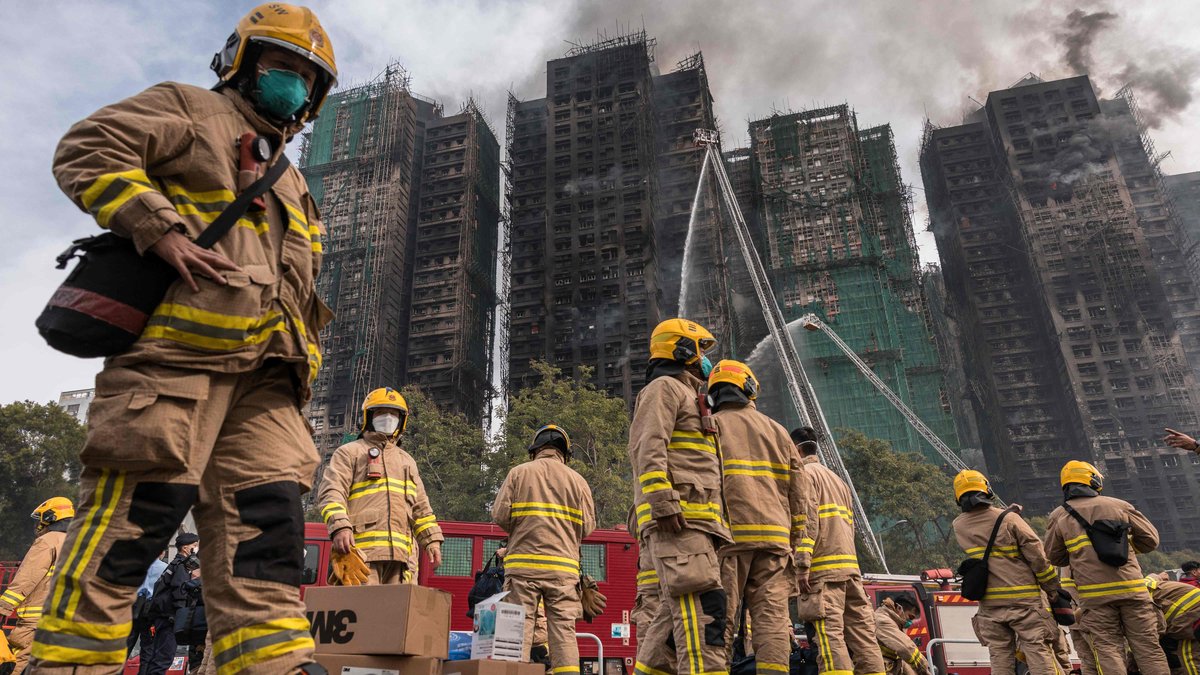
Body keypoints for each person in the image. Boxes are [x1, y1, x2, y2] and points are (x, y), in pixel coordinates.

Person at [33, 5, 338, 673]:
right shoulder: (193, 110)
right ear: (242, 62)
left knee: (268, 541)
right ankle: (69, 664)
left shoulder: (292, 180)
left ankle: (274, 665)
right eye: (281, 65)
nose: (294, 83)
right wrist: (159, 227)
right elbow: (89, 147)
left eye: (307, 77)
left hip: (268, 387)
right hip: (177, 368)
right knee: (128, 532)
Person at [628, 319, 730, 675]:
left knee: (670, 625)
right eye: (701, 350)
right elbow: (647, 447)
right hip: (680, 522)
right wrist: (664, 503)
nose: (706, 360)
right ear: (682, 350)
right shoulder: (664, 389)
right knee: (702, 616)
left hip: (698, 523)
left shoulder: (690, 396)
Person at [707, 360, 806, 674]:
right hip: (775, 543)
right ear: (750, 388)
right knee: (772, 623)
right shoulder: (778, 431)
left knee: (718, 621)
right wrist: (795, 541)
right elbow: (799, 494)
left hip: (728, 541)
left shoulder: (709, 427)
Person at [1043, 461, 1167, 675]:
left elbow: (1054, 556)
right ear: (1093, 480)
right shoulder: (1119, 505)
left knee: (1108, 650)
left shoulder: (1059, 515)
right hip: (1133, 592)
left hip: (1095, 598)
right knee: (1148, 649)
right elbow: (1151, 540)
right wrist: (1127, 549)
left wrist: (1081, 556)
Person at [493, 425, 596, 673]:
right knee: (563, 634)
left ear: (535, 450)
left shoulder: (518, 474)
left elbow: (500, 516)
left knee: (516, 631)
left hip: (522, 570)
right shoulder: (578, 482)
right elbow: (587, 527)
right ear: (565, 454)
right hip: (563, 572)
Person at [319, 387, 444, 584]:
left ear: (402, 420)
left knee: (398, 605)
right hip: (361, 555)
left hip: (402, 560)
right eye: (381, 412)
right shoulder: (349, 453)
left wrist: (432, 540)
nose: (388, 417)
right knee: (361, 604)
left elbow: (421, 508)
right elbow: (331, 492)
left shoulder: (407, 461)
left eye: (394, 414)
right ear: (369, 417)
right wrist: (340, 526)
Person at [791, 426, 886, 675]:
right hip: (851, 572)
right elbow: (850, 526)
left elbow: (807, 521)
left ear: (796, 449)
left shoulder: (804, 475)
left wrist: (802, 564)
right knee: (864, 638)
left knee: (829, 637)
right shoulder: (838, 481)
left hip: (823, 573)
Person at [950, 470, 1060, 675]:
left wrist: (1006, 514)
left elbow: (987, 530)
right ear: (987, 489)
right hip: (1023, 601)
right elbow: (1037, 556)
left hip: (989, 605)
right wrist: (1052, 588)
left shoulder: (959, 525)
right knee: (1037, 650)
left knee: (999, 657)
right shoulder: (1009, 519)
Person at [0, 497, 73, 673]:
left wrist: (3, 609)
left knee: (15, 664)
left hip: (37, 621)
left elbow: (26, 579)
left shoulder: (47, 541)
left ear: (50, 518)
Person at [141, 534, 200, 675]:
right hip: (170, 619)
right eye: (194, 545)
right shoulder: (181, 566)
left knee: (156, 658)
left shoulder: (173, 565)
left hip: (163, 618)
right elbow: (179, 591)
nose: (196, 548)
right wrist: (181, 616)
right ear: (185, 548)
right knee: (164, 659)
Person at [1145, 574, 1200, 675]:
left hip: (1190, 616)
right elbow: (1152, 577)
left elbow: (1154, 632)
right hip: (1189, 612)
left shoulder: (1140, 600)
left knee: (1188, 656)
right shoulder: (1147, 584)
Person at [874, 595, 929, 675]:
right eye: (910, 617)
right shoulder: (883, 621)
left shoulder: (893, 622)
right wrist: (924, 670)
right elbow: (906, 649)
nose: (910, 622)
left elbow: (901, 659)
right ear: (899, 608)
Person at [129, 552, 170, 656]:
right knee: (148, 644)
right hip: (151, 607)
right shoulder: (165, 567)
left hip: (134, 605)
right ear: (161, 553)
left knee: (128, 641)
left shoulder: (135, 566)